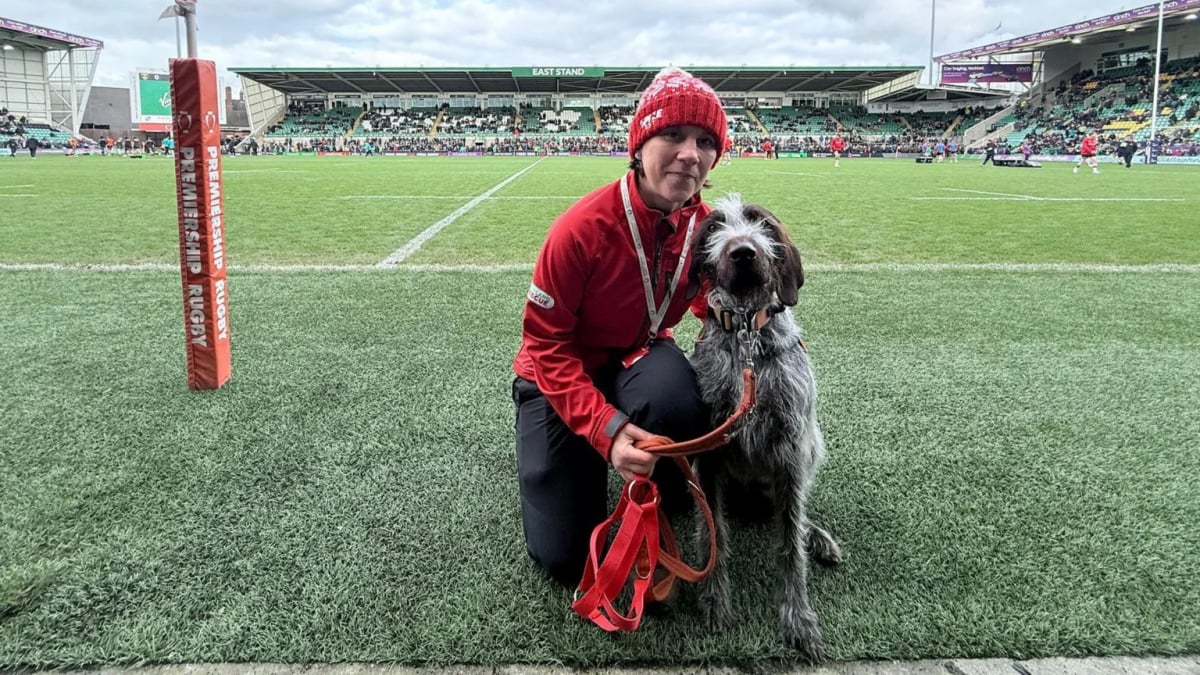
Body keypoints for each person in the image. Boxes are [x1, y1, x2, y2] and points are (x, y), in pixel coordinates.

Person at [511, 66, 726, 588]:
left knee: (678, 398)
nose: (690, 154)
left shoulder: (707, 227)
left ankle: (672, 483)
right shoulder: (580, 229)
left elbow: (708, 301)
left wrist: (748, 319)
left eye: (704, 141)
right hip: (559, 376)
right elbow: (545, 344)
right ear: (639, 142)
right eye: (672, 135)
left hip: (638, 357)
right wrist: (605, 432)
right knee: (565, 559)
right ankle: (580, 451)